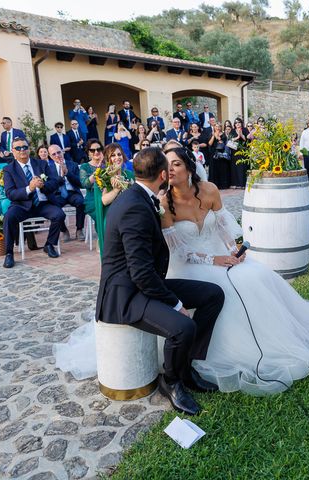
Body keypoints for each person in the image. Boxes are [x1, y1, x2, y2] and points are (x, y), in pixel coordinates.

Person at [160, 147, 309, 394]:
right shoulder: (165, 203)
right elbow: (180, 251)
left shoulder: (210, 190)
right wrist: (215, 260)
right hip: (189, 265)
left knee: (256, 275)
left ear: (189, 168)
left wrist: (234, 250)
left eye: (176, 164)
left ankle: (278, 337)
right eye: (167, 165)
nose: (170, 170)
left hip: (221, 254)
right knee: (229, 289)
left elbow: (223, 228)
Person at [95, 146, 224, 415]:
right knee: (183, 327)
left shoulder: (141, 196)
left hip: (143, 284)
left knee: (213, 294)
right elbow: (140, 273)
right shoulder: (134, 208)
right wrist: (175, 304)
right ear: (163, 175)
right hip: (125, 296)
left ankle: (186, 368)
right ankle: (173, 382)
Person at [2, 137, 65, 268]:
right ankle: (9, 253)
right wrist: (29, 188)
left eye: (24, 147)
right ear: (13, 151)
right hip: (22, 205)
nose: (22, 150)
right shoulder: (9, 169)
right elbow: (10, 193)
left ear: (29, 149)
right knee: (9, 217)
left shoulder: (41, 164)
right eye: (18, 148)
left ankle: (49, 245)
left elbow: (54, 183)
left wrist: (43, 186)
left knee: (59, 215)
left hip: (42, 203)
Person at [94, 143, 135, 258]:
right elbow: (104, 201)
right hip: (112, 218)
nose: (117, 158)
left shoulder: (129, 174)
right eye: (113, 155)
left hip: (129, 216)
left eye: (119, 154)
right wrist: (117, 189)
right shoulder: (103, 176)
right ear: (108, 159)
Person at [47, 144, 85, 242]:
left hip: (72, 192)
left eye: (59, 152)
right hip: (58, 194)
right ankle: (63, 230)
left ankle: (79, 229)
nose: (57, 155)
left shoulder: (73, 164)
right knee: (53, 206)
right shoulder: (48, 168)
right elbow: (49, 185)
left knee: (81, 202)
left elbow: (80, 183)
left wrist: (68, 173)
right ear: (50, 156)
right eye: (53, 154)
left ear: (63, 152)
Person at [79, 138, 105, 228]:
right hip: (92, 199)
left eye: (98, 149)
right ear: (88, 152)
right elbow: (85, 184)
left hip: (108, 196)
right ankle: (103, 238)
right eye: (92, 150)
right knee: (103, 214)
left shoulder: (107, 164)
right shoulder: (85, 166)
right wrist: (98, 170)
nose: (96, 152)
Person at [208, 124, 230, 190]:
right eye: (216, 126)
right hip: (213, 153)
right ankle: (214, 185)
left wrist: (218, 137)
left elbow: (222, 142)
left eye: (219, 126)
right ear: (214, 127)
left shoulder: (223, 134)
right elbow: (209, 143)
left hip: (221, 153)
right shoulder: (211, 134)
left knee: (221, 168)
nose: (217, 128)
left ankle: (222, 185)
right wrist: (213, 136)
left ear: (221, 127)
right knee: (214, 169)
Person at [229, 119, 249, 188]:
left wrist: (241, 135)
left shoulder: (245, 130)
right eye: (236, 123)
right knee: (235, 167)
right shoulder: (232, 130)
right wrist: (238, 136)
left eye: (239, 122)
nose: (237, 124)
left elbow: (247, 139)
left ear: (241, 123)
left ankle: (243, 184)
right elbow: (230, 140)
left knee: (243, 167)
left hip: (243, 151)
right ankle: (236, 184)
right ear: (234, 124)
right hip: (235, 151)